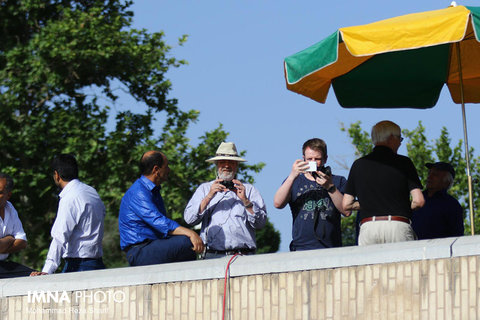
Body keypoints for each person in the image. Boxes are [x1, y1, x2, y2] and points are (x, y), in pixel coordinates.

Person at [343, 120, 425, 246]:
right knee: (402, 266)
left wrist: (370, 204)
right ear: (391, 138)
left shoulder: (358, 165)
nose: (400, 143)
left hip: (368, 227)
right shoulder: (404, 163)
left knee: (370, 266)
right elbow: (419, 201)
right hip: (398, 226)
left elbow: (346, 204)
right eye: (400, 139)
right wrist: (398, 206)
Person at [119, 151, 204, 266]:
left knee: (183, 242)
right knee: (186, 242)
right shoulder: (138, 192)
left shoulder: (153, 190)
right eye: (166, 166)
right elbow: (159, 222)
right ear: (156, 170)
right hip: (139, 251)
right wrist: (191, 234)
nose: (168, 170)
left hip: (151, 246)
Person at [184, 142, 267, 259]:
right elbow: (189, 219)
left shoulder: (248, 189)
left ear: (237, 165)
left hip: (243, 256)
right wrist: (209, 196)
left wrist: (245, 201)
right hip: (212, 256)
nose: (227, 166)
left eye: (231, 162)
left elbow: (261, 223)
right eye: (223, 162)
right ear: (217, 165)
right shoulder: (205, 189)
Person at [31, 154, 106, 275]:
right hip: (97, 262)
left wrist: (47, 271)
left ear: (56, 175)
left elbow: (60, 236)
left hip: (78, 266)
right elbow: (103, 214)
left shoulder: (69, 198)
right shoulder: (92, 192)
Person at [273, 138, 350, 251]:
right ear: (303, 159)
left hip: (331, 248)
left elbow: (347, 211)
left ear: (325, 159)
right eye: (309, 159)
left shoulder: (338, 181)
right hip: (301, 248)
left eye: (317, 159)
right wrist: (292, 175)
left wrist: (330, 187)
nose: (313, 162)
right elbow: (277, 203)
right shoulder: (294, 181)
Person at [411, 162, 464, 239]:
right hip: (412, 247)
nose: (429, 177)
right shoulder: (417, 198)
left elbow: (457, 235)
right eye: (429, 173)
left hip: (438, 248)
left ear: (447, 182)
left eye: (435, 175)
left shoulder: (451, 204)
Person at [0, 173, 34, 278]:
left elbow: (23, 243)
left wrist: (2, 247)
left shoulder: (10, 208)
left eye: (0, 192)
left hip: (3, 265)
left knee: (37, 275)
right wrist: (11, 238)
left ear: (8, 195)